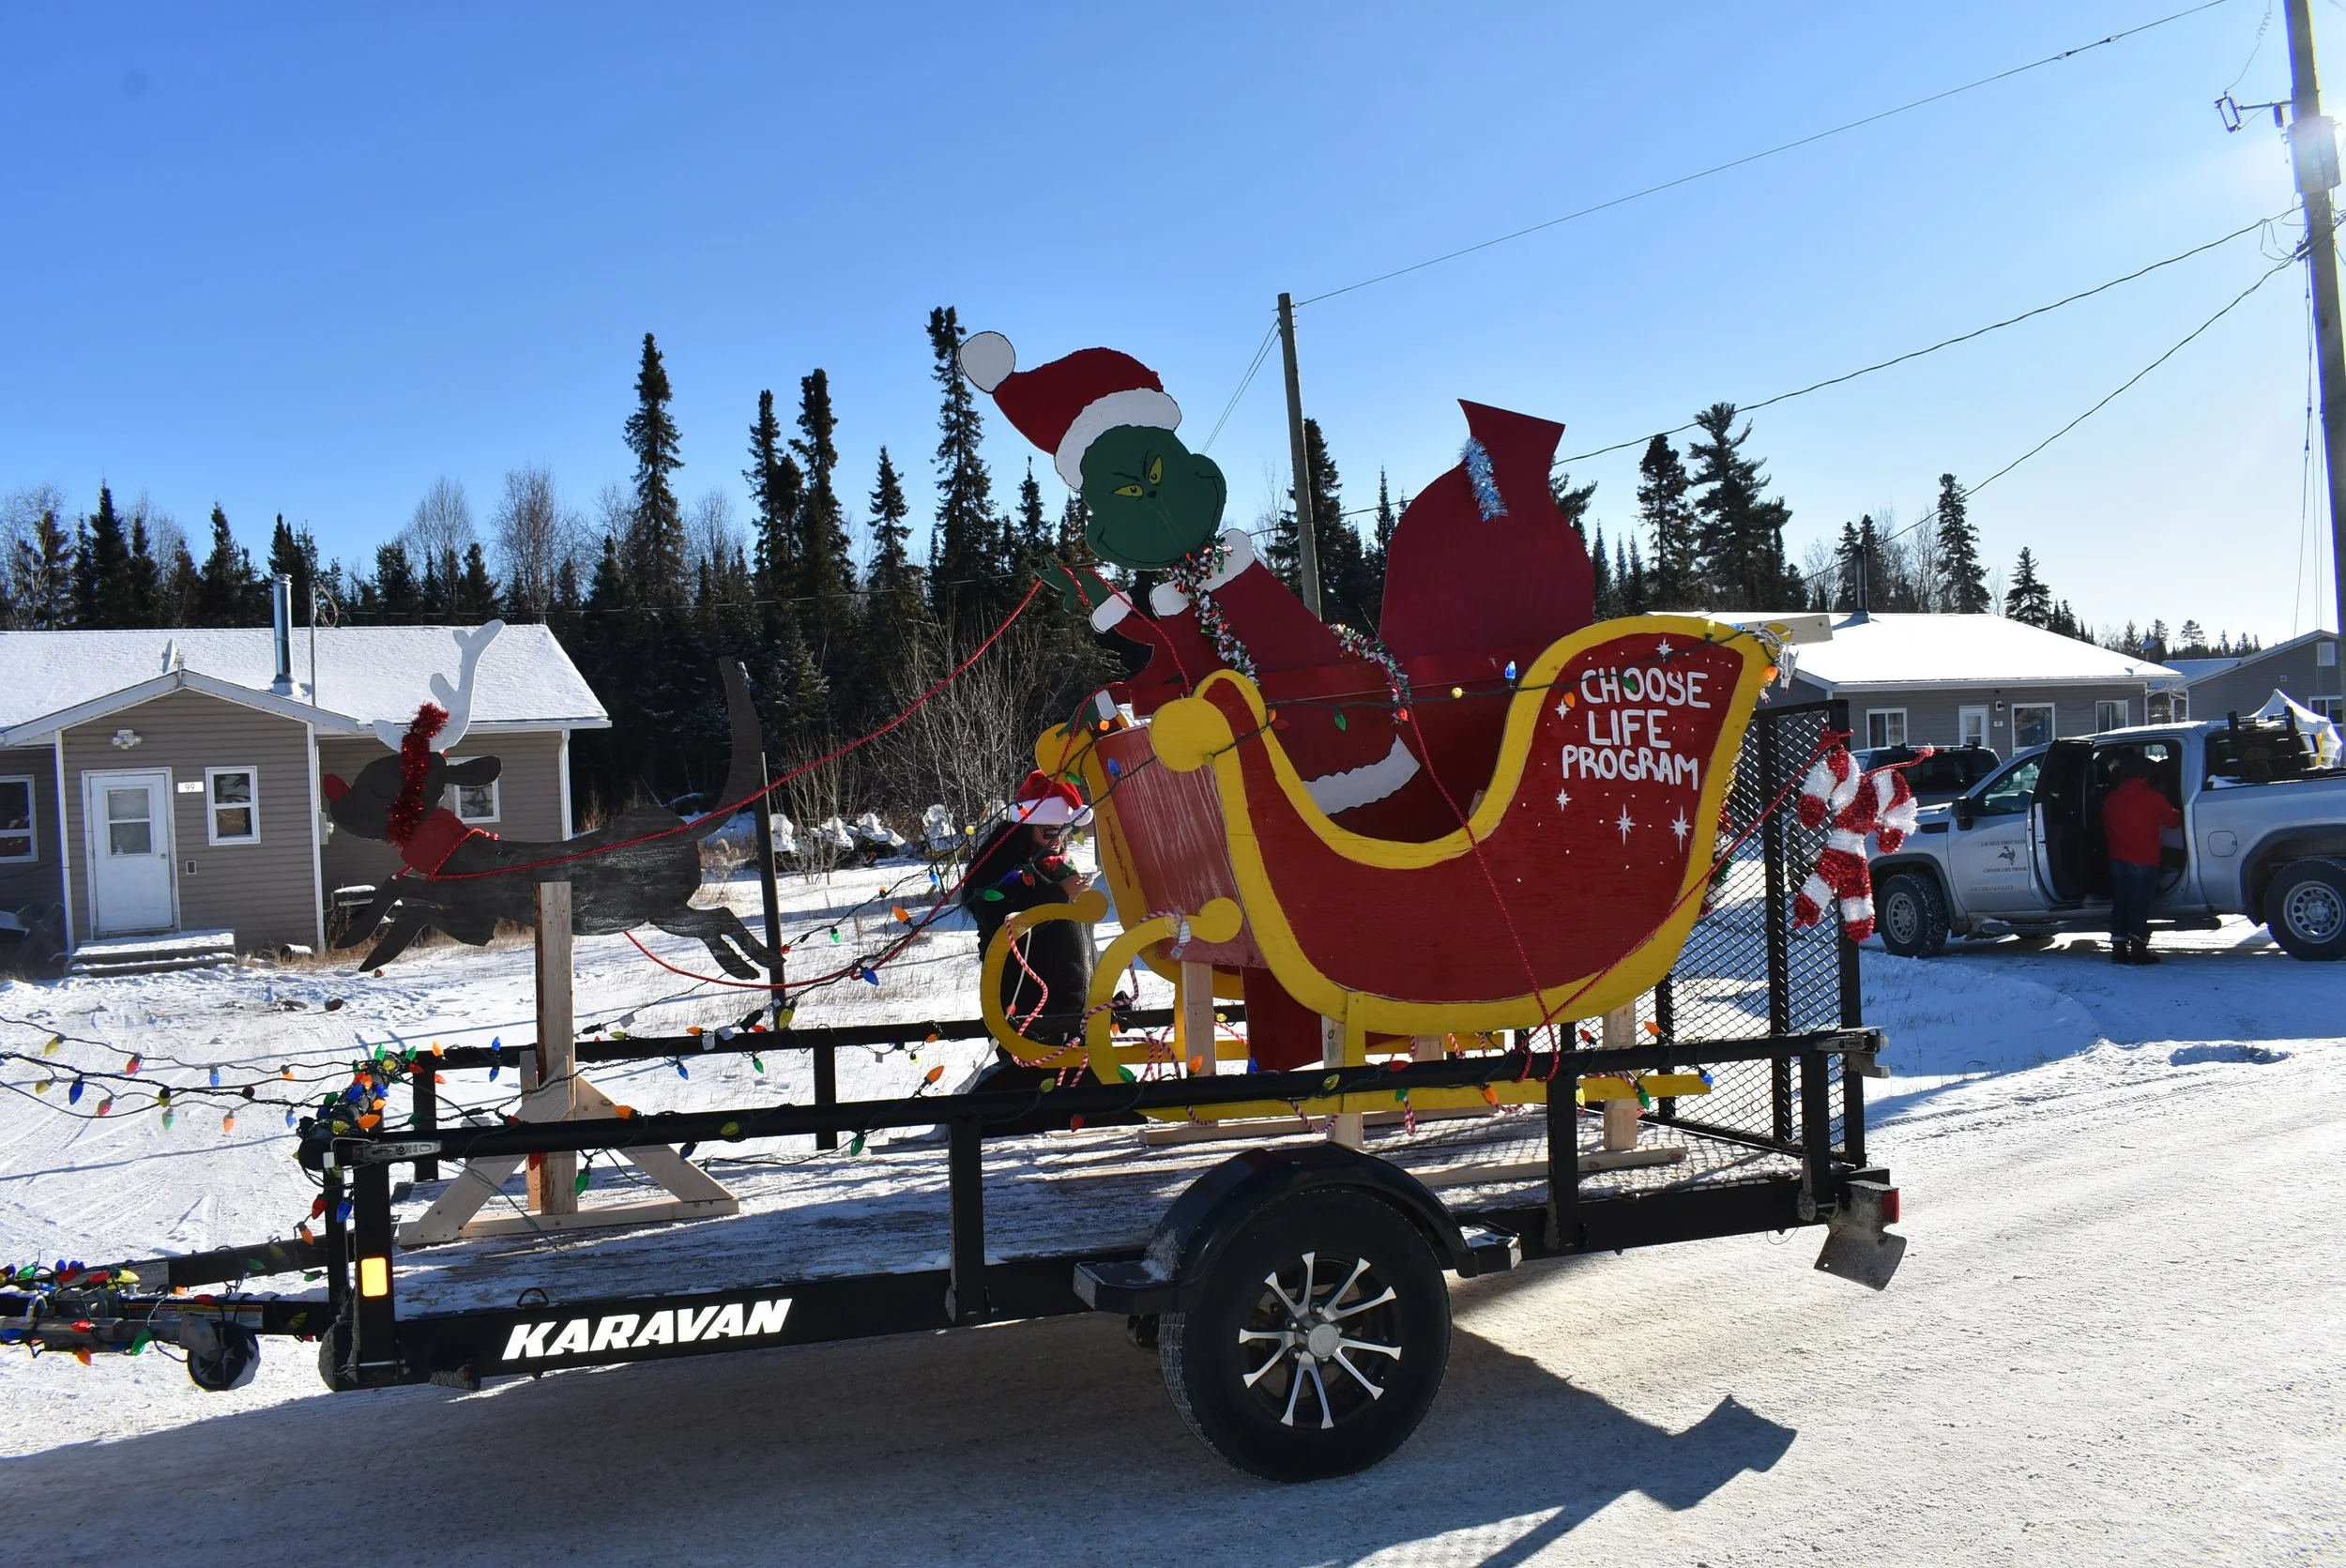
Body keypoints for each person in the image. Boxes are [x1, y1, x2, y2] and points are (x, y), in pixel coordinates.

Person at [2100, 754, 2181, 966]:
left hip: (2117, 858)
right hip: (2144, 859)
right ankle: (2138, 949)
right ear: (2144, 775)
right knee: (2138, 905)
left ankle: (2118, 948)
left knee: (2121, 903)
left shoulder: (2111, 798)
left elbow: (2105, 823)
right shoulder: (2153, 796)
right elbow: (2172, 821)